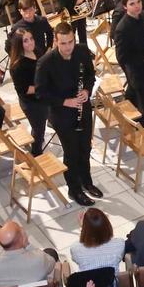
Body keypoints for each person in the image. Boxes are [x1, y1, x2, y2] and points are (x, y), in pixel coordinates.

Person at [35, 20, 99, 204]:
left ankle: (87, 181)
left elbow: (90, 75)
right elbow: (41, 94)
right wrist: (65, 102)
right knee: (71, 152)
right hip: (61, 114)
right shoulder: (45, 63)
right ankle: (74, 189)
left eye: (70, 41)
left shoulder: (82, 51)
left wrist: (86, 90)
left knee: (85, 147)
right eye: (63, 43)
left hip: (82, 108)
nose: (68, 47)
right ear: (55, 41)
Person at [112, 0, 144, 129]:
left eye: (138, 2)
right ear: (125, 7)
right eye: (132, 4)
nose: (137, 6)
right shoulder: (122, 28)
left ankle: (130, 125)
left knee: (134, 98)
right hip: (138, 72)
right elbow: (122, 57)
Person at [9, 28, 48, 156]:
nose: (30, 42)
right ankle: (36, 155)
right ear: (19, 44)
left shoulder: (37, 51)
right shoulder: (18, 66)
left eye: (31, 39)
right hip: (31, 102)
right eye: (26, 41)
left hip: (41, 94)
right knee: (38, 129)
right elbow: (25, 89)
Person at [68, 207, 125, 273]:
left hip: (87, 282)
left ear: (85, 229)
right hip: (112, 282)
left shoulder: (75, 248)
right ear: (107, 225)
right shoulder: (120, 244)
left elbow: (75, 259)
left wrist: (83, 228)